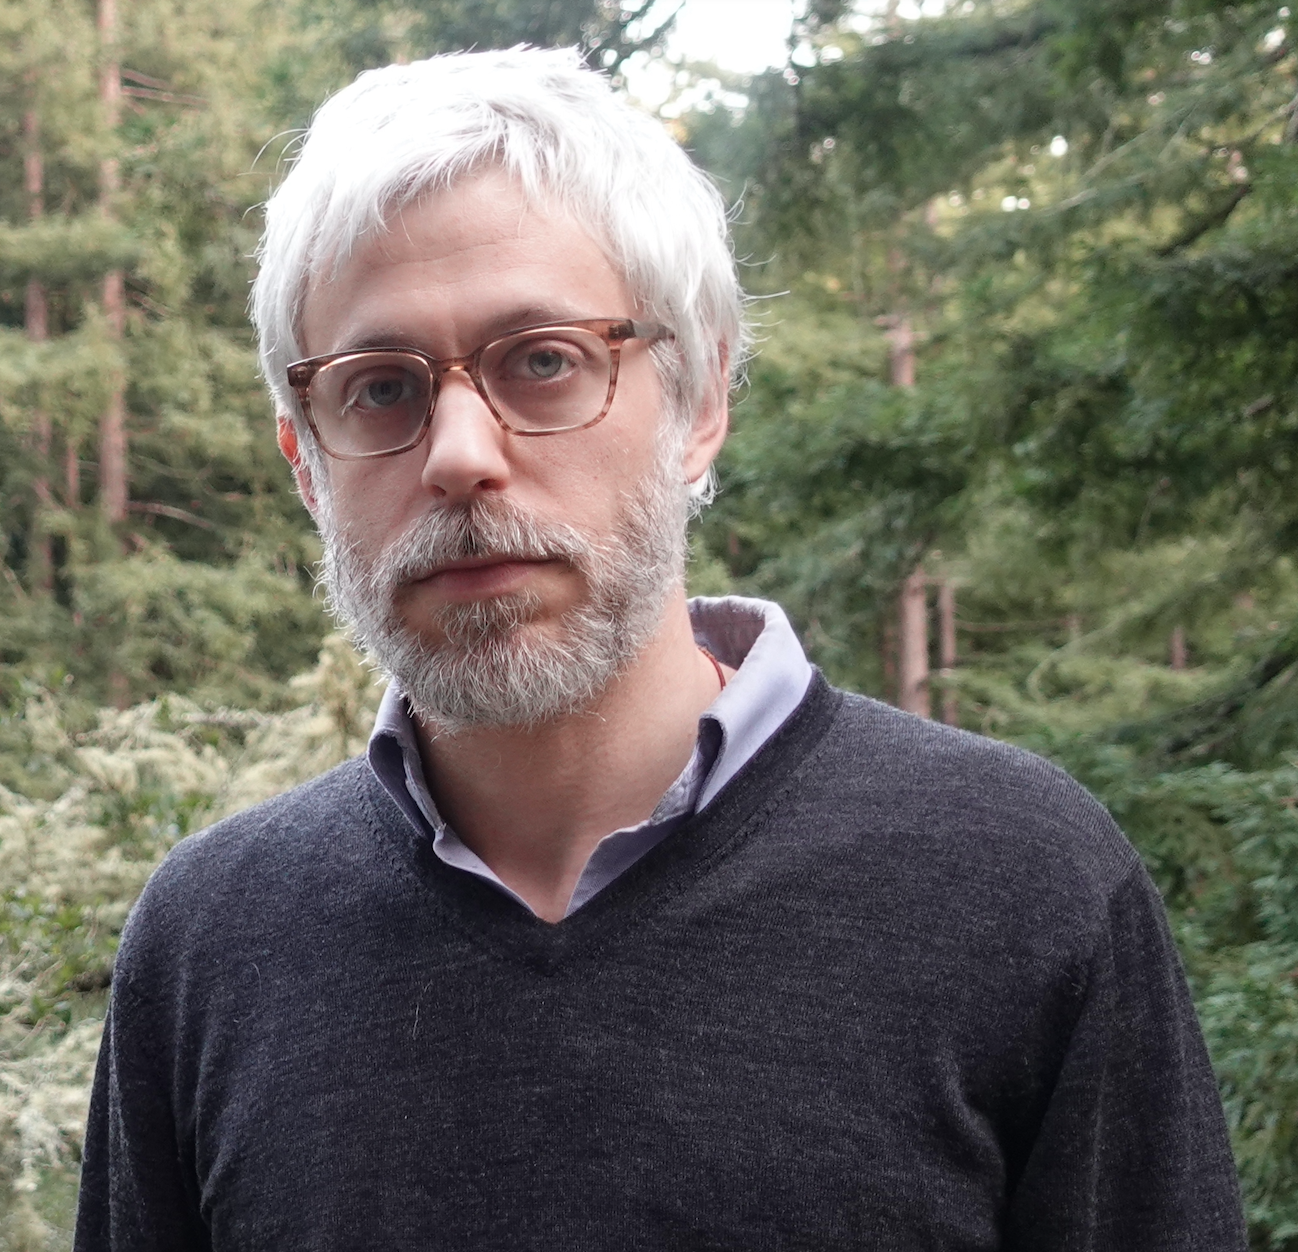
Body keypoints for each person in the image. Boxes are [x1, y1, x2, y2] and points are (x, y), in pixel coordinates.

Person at [74, 46, 1246, 1251]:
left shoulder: (1021, 886)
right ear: (306, 464)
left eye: (543, 360)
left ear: (700, 399)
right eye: (379, 388)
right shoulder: (210, 945)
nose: (459, 453)